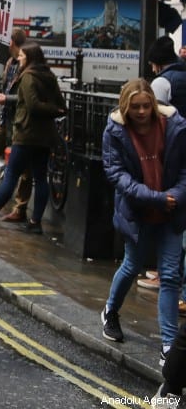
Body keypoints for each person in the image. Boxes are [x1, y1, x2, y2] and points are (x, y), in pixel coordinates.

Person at [100, 78, 186, 364]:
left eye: (146, 106)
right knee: (132, 265)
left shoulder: (174, 126)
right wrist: (154, 197)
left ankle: (169, 346)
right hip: (138, 211)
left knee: (171, 275)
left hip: (171, 211)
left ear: (154, 103)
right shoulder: (115, 131)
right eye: (135, 107)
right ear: (125, 107)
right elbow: (116, 174)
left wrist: (173, 195)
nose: (141, 112)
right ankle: (111, 310)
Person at [0, 42, 66, 234]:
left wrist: (53, 109)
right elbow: (60, 104)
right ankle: (35, 222)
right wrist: (55, 109)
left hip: (26, 134)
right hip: (44, 136)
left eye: (22, 56)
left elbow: (33, 105)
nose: (19, 58)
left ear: (30, 57)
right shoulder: (48, 76)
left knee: (11, 176)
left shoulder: (28, 77)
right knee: (40, 178)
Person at [0, 29, 28, 207]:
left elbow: (27, 97)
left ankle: (20, 207)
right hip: (1, 115)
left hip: (17, 120)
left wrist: (8, 99)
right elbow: (7, 88)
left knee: (22, 164)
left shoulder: (27, 65)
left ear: (12, 42)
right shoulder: (9, 62)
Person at [149, 36, 186, 117]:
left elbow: (156, 116)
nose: (153, 70)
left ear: (158, 63)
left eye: (152, 65)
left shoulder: (161, 82)